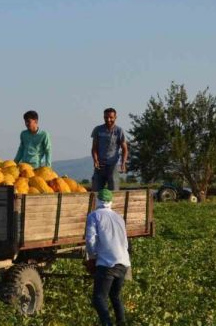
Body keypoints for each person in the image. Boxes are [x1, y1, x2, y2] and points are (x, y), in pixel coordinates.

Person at [85, 189, 131, 326]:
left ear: (97, 201)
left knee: (99, 298)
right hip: (123, 262)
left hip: (107, 263)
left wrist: (92, 257)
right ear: (111, 202)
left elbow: (90, 239)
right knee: (115, 296)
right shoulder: (118, 217)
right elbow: (125, 242)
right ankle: (121, 322)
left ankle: (107, 324)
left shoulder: (94, 216)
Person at [91, 108, 128, 191]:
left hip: (113, 165)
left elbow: (125, 149)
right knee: (96, 191)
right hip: (100, 166)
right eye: (106, 117)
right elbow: (94, 148)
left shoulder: (119, 131)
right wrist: (95, 160)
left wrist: (123, 163)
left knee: (114, 191)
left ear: (115, 117)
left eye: (111, 117)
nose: (108, 119)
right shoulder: (98, 130)